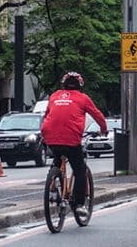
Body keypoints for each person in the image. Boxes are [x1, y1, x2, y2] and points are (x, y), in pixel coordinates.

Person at [41, 72, 107, 218]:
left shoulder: (54, 96)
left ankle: (52, 188)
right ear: (80, 86)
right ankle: (79, 204)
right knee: (79, 170)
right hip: (71, 139)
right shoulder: (83, 98)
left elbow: (47, 115)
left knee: (57, 160)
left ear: (63, 85)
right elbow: (97, 115)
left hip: (50, 135)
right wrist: (103, 129)